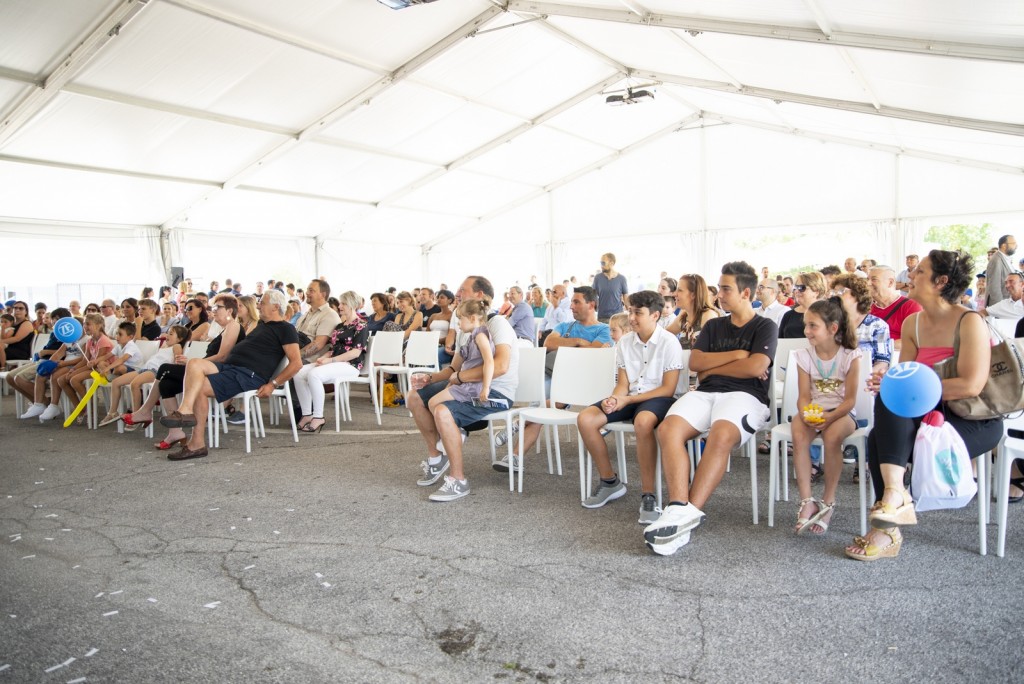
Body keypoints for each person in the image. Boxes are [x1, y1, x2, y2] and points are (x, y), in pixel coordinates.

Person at [847, 250, 1004, 560]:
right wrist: (892, 382)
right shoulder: (913, 324)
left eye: (919, 271)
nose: (911, 276)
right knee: (888, 403)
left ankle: (888, 523)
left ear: (941, 281)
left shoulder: (970, 321)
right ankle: (894, 497)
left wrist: (909, 387)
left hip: (972, 418)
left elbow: (971, 385)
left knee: (882, 429)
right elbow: (906, 378)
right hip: (929, 413)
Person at [643, 261, 777, 556]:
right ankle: (679, 507)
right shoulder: (715, 325)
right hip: (705, 393)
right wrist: (739, 356)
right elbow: (696, 363)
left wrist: (719, 366)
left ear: (745, 293)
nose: (719, 294)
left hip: (746, 396)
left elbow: (757, 367)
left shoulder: (765, 326)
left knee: (721, 435)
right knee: (668, 429)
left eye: (726, 289)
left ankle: (684, 515)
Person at [408, 276, 520, 502]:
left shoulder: (496, 323)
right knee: (414, 396)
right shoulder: (465, 328)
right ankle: (436, 458)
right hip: (467, 386)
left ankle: (458, 479)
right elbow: (453, 368)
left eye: (462, 290)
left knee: (443, 411)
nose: (457, 294)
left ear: (479, 295)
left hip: (494, 393)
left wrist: (459, 378)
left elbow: (499, 366)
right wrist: (429, 378)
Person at [158, 289, 302, 461]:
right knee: (194, 363)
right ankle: (186, 411)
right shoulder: (263, 326)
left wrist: (273, 384)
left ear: (275, 307)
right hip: (230, 368)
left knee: (199, 387)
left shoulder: (286, 328)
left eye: (262, 303)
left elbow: (296, 363)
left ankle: (196, 443)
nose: (258, 306)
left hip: (248, 374)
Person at [577, 291, 684, 523]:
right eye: (630, 312)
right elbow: (623, 384)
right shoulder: (625, 342)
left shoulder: (669, 342)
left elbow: (668, 389)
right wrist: (614, 399)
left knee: (643, 422)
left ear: (655, 315)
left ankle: (648, 495)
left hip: (659, 398)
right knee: (586, 418)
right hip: (630, 396)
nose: (632, 318)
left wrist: (626, 400)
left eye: (638, 313)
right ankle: (610, 482)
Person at [492, 286, 613, 465]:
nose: (571, 306)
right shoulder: (565, 325)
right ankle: (514, 456)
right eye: (572, 302)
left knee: (544, 404)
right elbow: (549, 343)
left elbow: (593, 353)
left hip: (583, 382)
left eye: (576, 302)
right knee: (541, 405)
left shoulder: (604, 329)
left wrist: (565, 346)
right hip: (554, 374)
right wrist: (579, 341)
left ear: (591, 304)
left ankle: (518, 424)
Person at [125, 294, 244, 448]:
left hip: (218, 373)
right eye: (213, 307)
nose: (213, 310)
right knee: (166, 385)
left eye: (217, 307)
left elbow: (222, 357)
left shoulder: (233, 326)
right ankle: (175, 433)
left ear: (229, 311)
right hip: (207, 369)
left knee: (165, 368)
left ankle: (145, 411)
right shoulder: (224, 329)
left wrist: (192, 363)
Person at [790, 299, 861, 536]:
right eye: (806, 325)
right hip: (814, 411)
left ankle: (828, 502)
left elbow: (850, 400)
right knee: (798, 434)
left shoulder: (850, 355)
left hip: (842, 413)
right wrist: (806, 414)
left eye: (813, 326)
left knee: (832, 438)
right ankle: (807, 501)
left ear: (833, 328)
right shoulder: (803, 356)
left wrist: (829, 418)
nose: (806, 331)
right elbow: (803, 397)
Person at [292, 291, 368, 434]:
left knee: (314, 374)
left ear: (352, 305)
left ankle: (318, 417)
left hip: (351, 365)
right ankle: (307, 414)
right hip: (335, 362)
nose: (340, 306)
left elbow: (355, 353)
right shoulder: (340, 326)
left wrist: (331, 360)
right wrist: (323, 358)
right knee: (299, 373)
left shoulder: (361, 325)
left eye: (343, 304)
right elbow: (333, 349)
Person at [425, 300, 495, 439]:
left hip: (471, 387)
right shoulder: (474, 336)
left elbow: (489, 361)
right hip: (465, 384)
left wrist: (486, 387)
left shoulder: (480, 336)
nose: (458, 323)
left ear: (472, 318)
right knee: (436, 403)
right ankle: (452, 432)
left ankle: (452, 435)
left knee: (433, 402)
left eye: (460, 319)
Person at [98, 324, 186, 427]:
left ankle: (136, 416)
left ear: (179, 339)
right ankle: (112, 412)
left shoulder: (176, 346)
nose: (167, 335)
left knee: (135, 384)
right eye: (168, 333)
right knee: (116, 382)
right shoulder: (164, 346)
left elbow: (177, 359)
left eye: (171, 334)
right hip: (144, 369)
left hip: (155, 371)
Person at [40, 313, 114, 423]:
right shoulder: (90, 341)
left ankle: (90, 406)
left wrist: (75, 371)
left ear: (98, 325)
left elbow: (96, 363)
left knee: (74, 379)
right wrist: (73, 369)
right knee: (61, 380)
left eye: (88, 324)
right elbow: (85, 360)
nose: (85, 327)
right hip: (92, 368)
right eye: (84, 324)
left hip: (103, 370)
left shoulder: (103, 340)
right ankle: (80, 408)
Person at [11, 307, 70, 416]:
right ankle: (41, 402)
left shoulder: (67, 334)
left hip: (50, 361)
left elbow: (66, 352)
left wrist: (45, 352)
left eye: (57, 319)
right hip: (42, 360)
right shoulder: (54, 333)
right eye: (53, 319)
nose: (54, 321)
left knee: (19, 378)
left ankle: (42, 403)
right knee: (10, 377)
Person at [831, 274, 891, 373]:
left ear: (857, 295)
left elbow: (882, 362)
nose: (835, 296)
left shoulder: (878, 326)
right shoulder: (831, 324)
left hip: (865, 378)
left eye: (841, 291)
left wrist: (863, 376)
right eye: (834, 292)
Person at [868, 265, 922, 350]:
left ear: (890, 282)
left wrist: (879, 345)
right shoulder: (866, 308)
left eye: (874, 279)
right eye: (867, 279)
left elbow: (916, 340)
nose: (868, 283)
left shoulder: (911, 306)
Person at [665, 274, 719, 349]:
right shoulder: (684, 315)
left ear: (693, 294)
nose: (675, 294)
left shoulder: (708, 315)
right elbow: (664, 335)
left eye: (680, 290)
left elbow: (716, 350)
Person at [778, 272, 828, 339]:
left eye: (802, 288)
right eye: (795, 287)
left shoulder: (827, 314)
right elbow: (780, 340)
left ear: (816, 292)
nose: (797, 291)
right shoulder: (788, 315)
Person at [593, 253, 629, 323]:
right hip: (602, 317)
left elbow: (626, 297)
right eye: (601, 263)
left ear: (611, 263)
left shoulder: (621, 279)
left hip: (618, 317)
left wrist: (629, 312)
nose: (601, 266)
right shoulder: (597, 278)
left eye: (603, 263)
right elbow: (593, 295)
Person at [0, 300, 33, 371]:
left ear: (26, 312)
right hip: (9, 349)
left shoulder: (27, 323)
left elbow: (17, 338)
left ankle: (2, 368)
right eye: (15, 308)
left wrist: (1, 341)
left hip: (20, 351)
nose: (17, 310)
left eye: (21, 308)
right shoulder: (12, 324)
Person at [985, 235, 1017, 307]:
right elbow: (994, 288)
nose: (1016, 246)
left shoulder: (1006, 259)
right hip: (1000, 306)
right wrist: (1000, 308)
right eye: (1013, 243)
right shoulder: (996, 260)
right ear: (1004, 246)